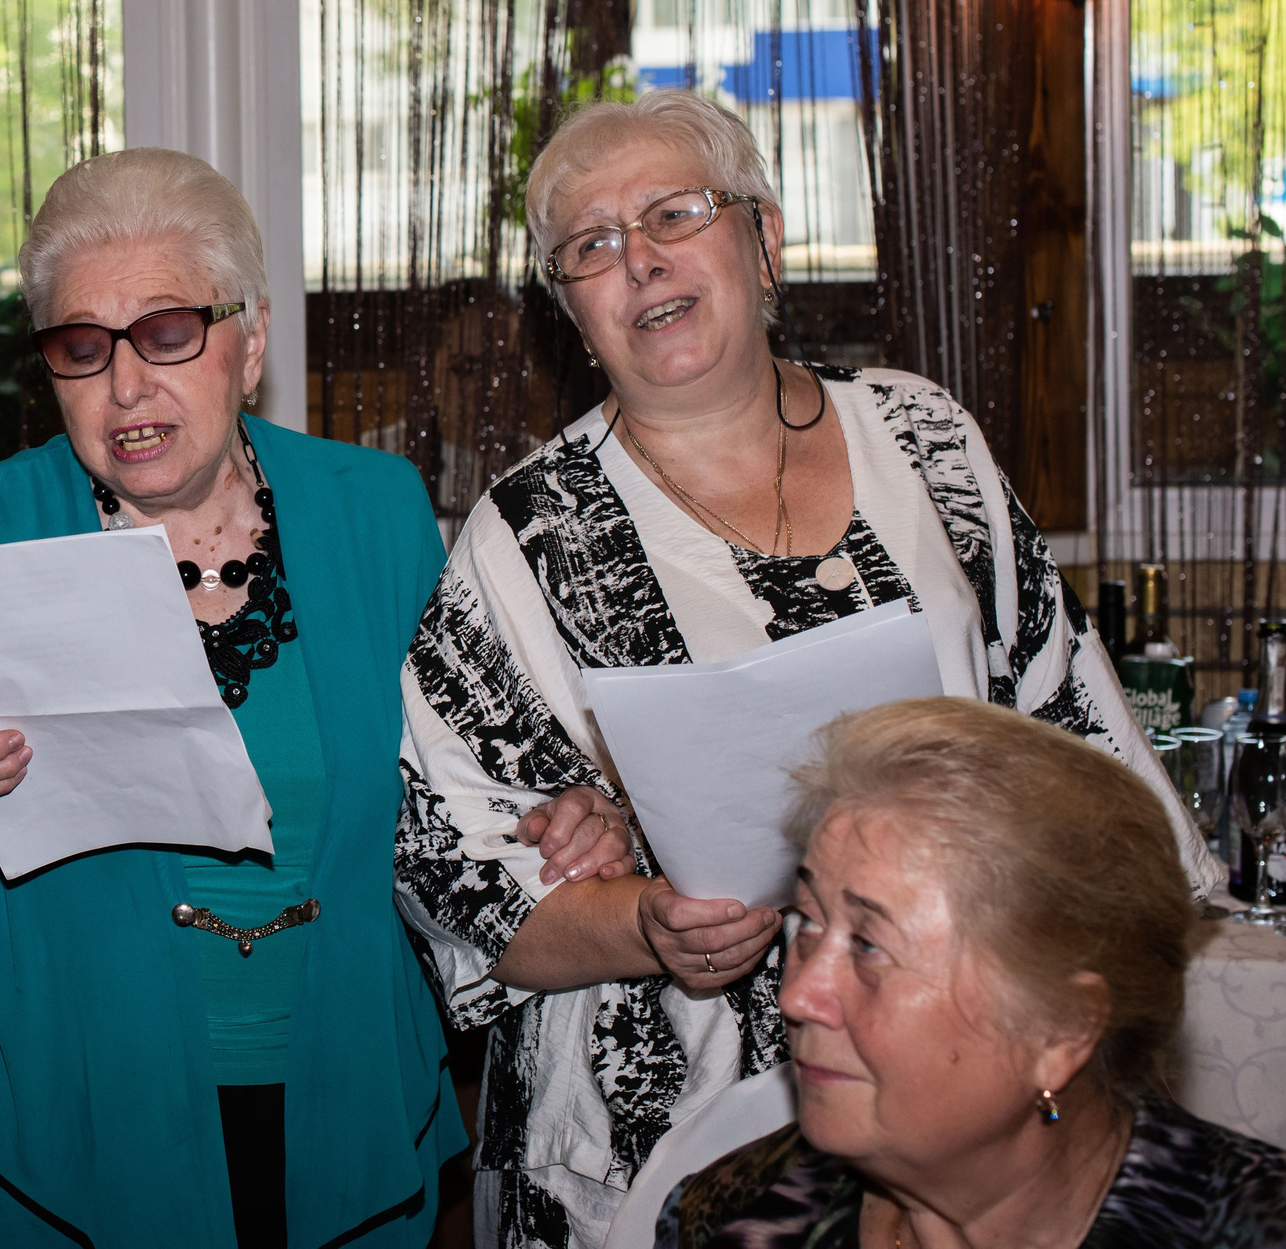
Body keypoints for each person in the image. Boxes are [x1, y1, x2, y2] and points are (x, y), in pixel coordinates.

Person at [388, 90, 1221, 1249]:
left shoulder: (925, 439)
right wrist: (642, 918)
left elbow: (1067, 724)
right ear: (571, 312)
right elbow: (451, 869)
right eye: (591, 245)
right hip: (648, 1146)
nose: (638, 259)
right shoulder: (525, 534)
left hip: (960, 1111)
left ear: (764, 240)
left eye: (675, 212)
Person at [0, 148, 632, 1249]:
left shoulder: (373, 510)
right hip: (55, 1114)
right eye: (81, 348)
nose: (126, 385)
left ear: (250, 344)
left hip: (340, 1082)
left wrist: (577, 807)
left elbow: (482, 776)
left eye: (167, 331)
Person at [660, 696, 1286, 1247]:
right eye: (808, 922)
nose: (798, 995)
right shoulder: (737, 1216)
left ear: (1061, 1028)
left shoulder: (1258, 1229)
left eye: (869, 945)